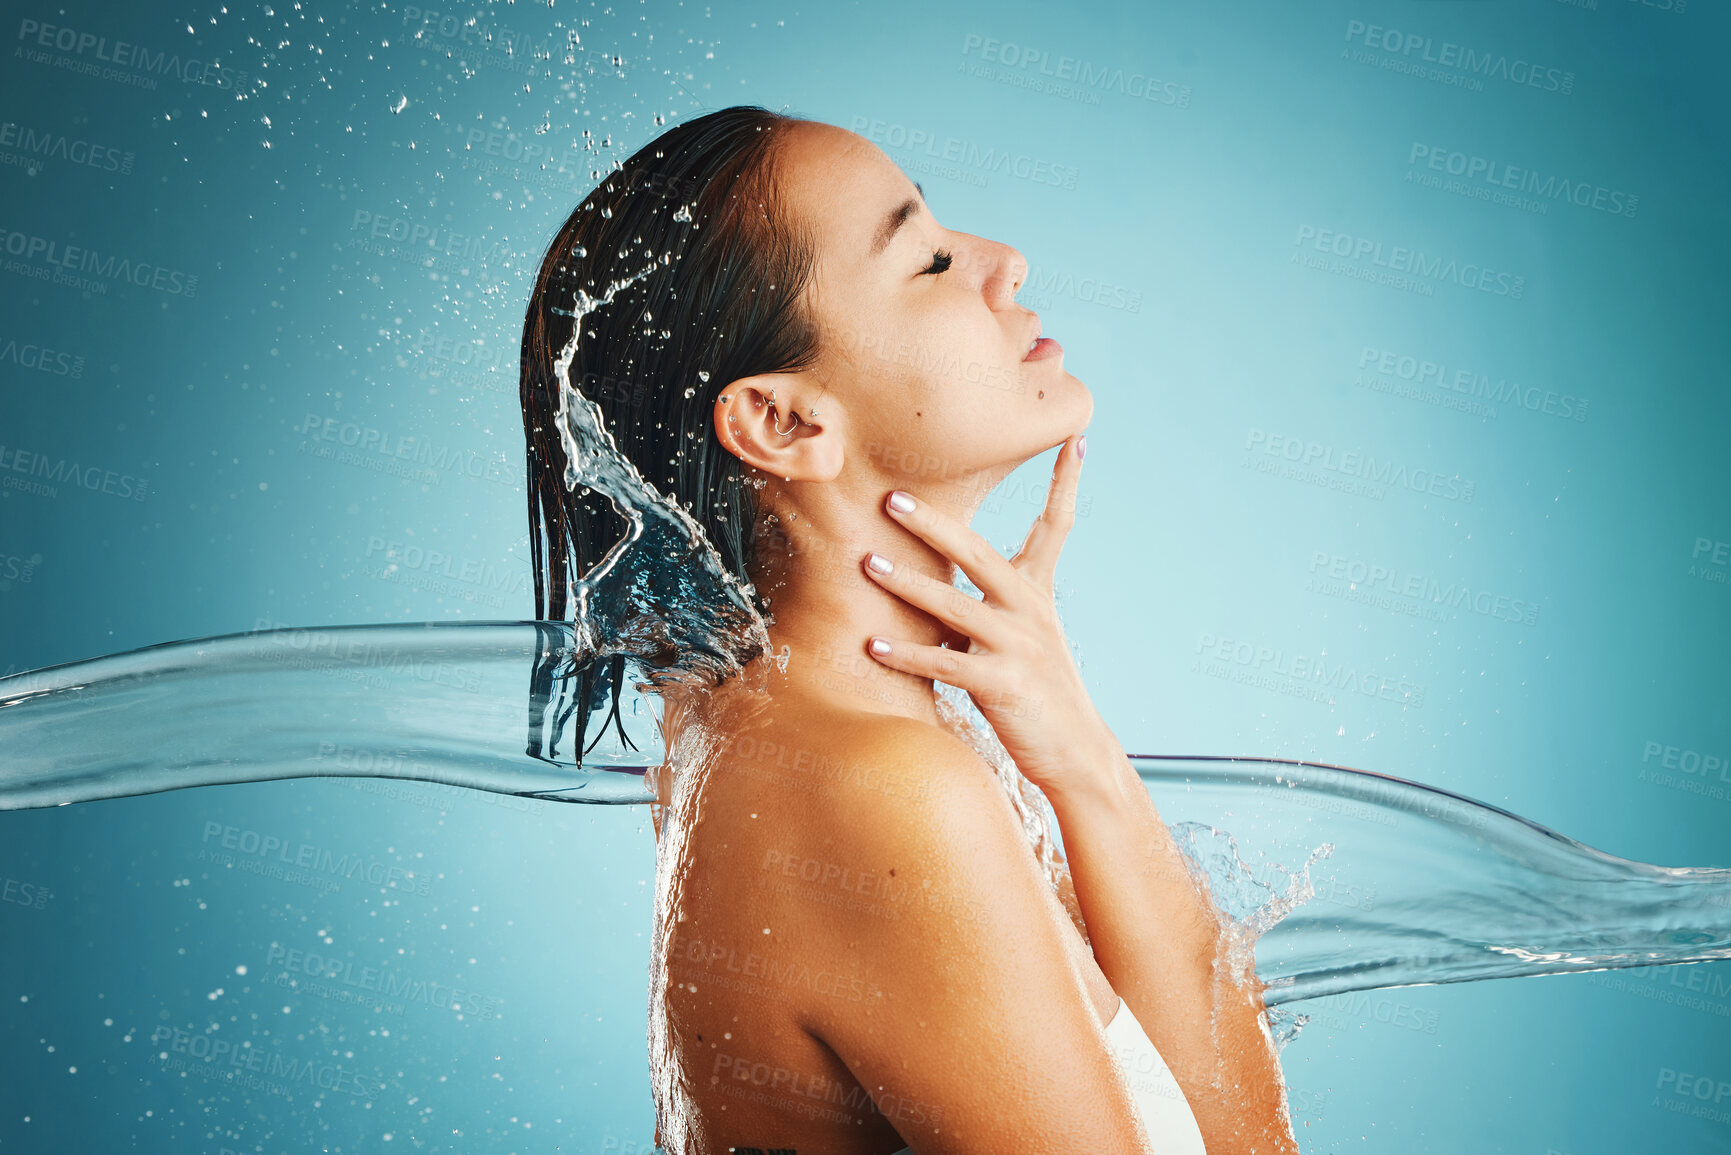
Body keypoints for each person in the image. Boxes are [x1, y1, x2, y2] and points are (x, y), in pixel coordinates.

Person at [520, 105, 1298, 1154]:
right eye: (929, 261)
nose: (1006, 263)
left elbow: (1220, 1115)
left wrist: (1082, 760)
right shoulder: (875, 786)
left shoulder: (786, 728)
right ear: (785, 423)